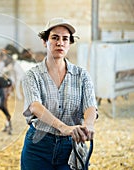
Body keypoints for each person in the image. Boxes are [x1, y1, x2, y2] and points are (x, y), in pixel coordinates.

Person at [20, 17, 98, 170]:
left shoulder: (82, 75)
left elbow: (90, 106)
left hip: (71, 147)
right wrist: (64, 128)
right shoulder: (32, 75)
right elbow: (35, 106)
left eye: (65, 39)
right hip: (38, 146)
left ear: (69, 44)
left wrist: (88, 126)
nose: (60, 43)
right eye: (54, 38)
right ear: (45, 41)